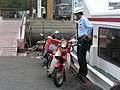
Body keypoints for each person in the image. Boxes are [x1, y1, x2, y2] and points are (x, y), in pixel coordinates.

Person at [74, 7, 93, 77]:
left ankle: (83, 72)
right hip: (80, 40)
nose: (76, 16)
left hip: (83, 40)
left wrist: (85, 35)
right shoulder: (80, 21)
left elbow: (90, 27)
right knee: (79, 56)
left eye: (76, 15)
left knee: (82, 56)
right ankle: (81, 71)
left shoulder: (84, 19)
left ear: (79, 14)